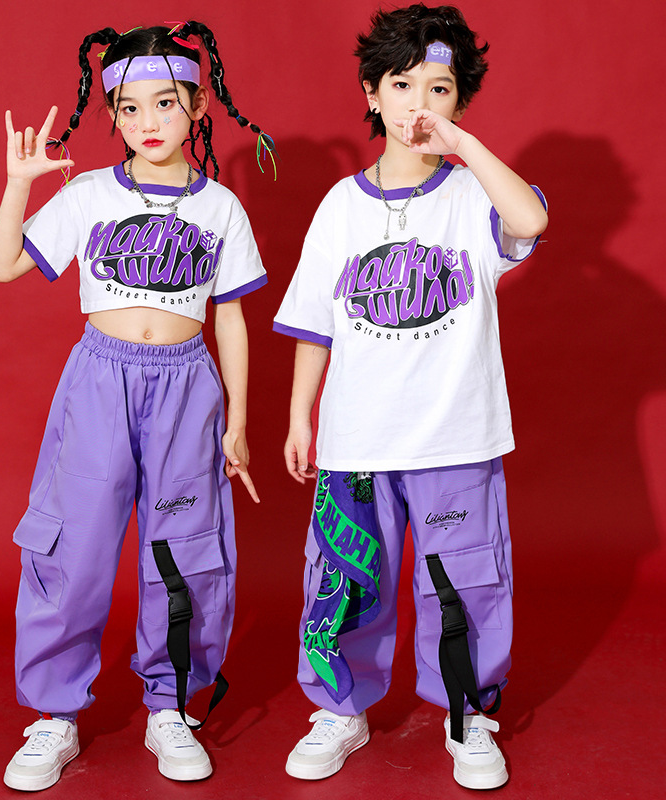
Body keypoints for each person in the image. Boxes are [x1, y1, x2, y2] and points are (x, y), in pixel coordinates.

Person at [0, 21, 272, 792]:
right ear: (112, 114)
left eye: (166, 103)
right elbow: (5, 264)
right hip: (100, 381)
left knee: (183, 548)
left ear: (199, 107)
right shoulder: (88, 194)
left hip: (187, 386)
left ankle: (168, 705)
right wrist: (19, 184)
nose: (148, 122)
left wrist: (239, 422)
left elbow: (231, 318)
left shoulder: (221, 208)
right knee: (72, 546)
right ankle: (54, 713)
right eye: (129, 107)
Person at [273, 4, 547, 790]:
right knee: (343, 580)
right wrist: (299, 417)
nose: (418, 103)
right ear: (371, 93)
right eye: (401, 84)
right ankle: (340, 710)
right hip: (356, 443)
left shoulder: (472, 197)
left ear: (459, 102)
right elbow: (315, 322)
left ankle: (468, 714)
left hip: (456, 440)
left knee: (463, 581)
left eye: (439, 88)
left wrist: (463, 147)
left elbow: (530, 218)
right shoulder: (340, 205)